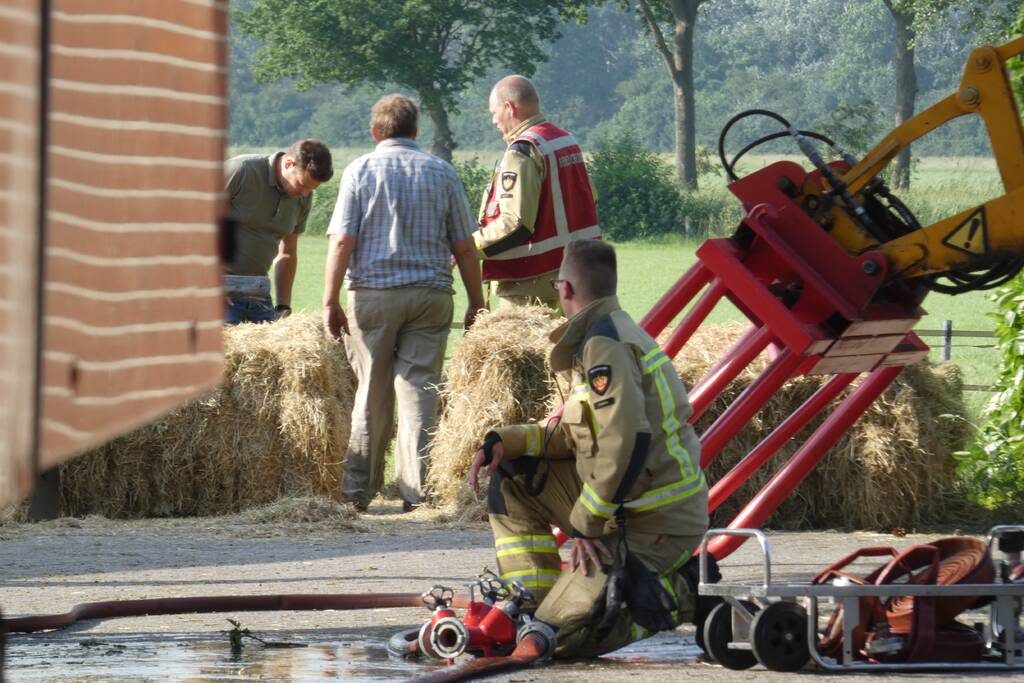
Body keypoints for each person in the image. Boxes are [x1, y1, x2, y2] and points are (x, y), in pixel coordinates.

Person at [467, 239, 708, 657]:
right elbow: (574, 434)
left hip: (656, 523)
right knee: (514, 478)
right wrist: (504, 441)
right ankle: (532, 605)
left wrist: (586, 524)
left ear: (564, 288)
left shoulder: (605, 346)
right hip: (627, 509)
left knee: (561, 639)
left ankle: (682, 593)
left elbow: (626, 439)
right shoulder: (599, 335)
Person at [324, 94, 486, 513]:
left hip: (372, 296)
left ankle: (358, 490)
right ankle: (418, 492)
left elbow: (342, 240)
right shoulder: (441, 171)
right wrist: (476, 301)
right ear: (416, 131)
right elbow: (465, 247)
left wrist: (329, 300)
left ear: (376, 132)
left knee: (371, 391)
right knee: (419, 392)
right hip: (430, 295)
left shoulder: (359, 169)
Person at [473, 75, 599, 310]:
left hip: (530, 284)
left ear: (509, 108)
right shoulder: (564, 140)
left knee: (521, 349)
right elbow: (590, 197)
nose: (493, 121)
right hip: (575, 276)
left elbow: (516, 224)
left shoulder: (522, 150)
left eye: (493, 112)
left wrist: (467, 248)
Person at [224, 139, 333, 324]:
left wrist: (284, 306)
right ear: (289, 164)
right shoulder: (241, 169)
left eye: (312, 189)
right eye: (302, 184)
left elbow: (288, 252)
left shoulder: (304, 196)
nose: (306, 194)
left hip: (259, 293)